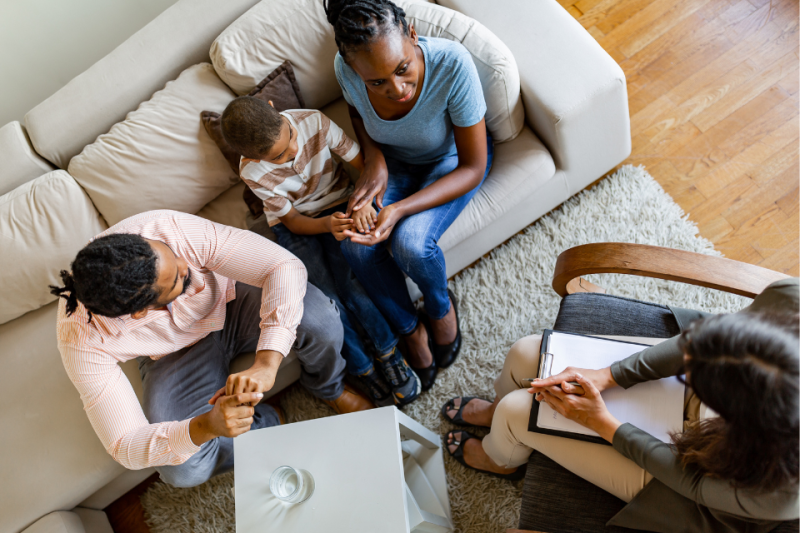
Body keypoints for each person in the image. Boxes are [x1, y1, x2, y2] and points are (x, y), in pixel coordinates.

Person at [440, 278, 799, 532]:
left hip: (698, 475)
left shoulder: (779, 487)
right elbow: (692, 346)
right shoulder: (791, 301)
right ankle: (498, 426)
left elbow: (694, 484)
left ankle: (501, 459)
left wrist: (604, 424)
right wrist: (609, 375)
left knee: (516, 413)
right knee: (524, 353)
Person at [50, 210, 372, 488]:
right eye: (176, 278)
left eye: (171, 254)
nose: (184, 263)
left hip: (233, 298)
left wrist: (267, 361)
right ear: (139, 311)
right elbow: (124, 445)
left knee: (321, 319)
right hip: (171, 354)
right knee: (181, 472)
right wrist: (206, 426)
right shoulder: (80, 339)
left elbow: (283, 267)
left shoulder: (164, 228)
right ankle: (263, 423)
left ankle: (328, 388)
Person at [324, 0, 494, 391]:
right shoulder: (344, 68)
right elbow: (356, 114)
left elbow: (472, 166)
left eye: (402, 69)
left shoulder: (452, 64)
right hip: (395, 166)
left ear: (413, 34)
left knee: (412, 244)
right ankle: (410, 330)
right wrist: (374, 159)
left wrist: (398, 209)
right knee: (355, 245)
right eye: (377, 83)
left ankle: (440, 309)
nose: (396, 89)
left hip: (451, 162)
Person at [220, 97, 421, 406]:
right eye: (279, 158)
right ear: (250, 156)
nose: (293, 154)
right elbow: (293, 221)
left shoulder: (313, 122)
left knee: (353, 285)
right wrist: (327, 225)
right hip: (298, 227)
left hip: (340, 203)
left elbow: (365, 166)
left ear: (274, 108)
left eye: (290, 141)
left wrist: (363, 201)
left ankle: (388, 352)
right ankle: (362, 368)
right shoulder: (251, 171)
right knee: (329, 301)